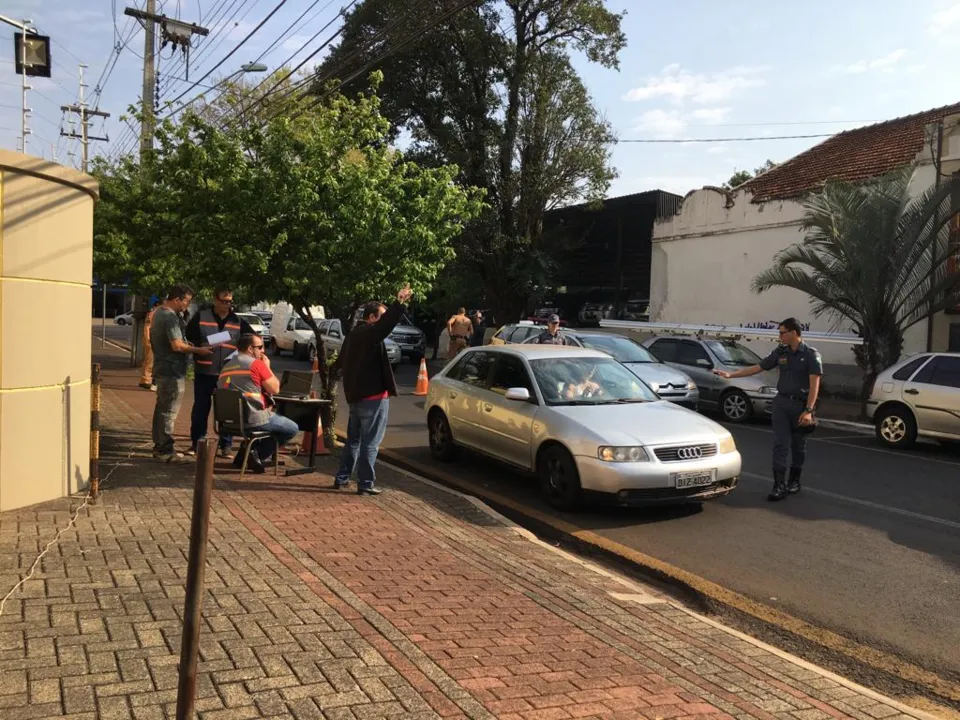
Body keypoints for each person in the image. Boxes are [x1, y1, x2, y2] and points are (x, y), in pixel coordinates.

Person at [713, 317, 822, 501]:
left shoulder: (811, 354)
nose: (779, 336)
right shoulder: (781, 352)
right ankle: (778, 485)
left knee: (798, 446)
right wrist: (731, 375)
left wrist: (809, 410)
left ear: (794, 333)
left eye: (782, 333)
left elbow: (815, 384)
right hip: (781, 404)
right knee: (780, 444)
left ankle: (794, 481)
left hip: (801, 406)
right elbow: (758, 367)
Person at [333, 284, 414, 495]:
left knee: (354, 441)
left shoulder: (352, 335)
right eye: (381, 316)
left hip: (355, 397)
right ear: (371, 318)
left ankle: (342, 477)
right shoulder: (368, 333)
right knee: (370, 443)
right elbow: (384, 326)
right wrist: (399, 303)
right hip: (372, 397)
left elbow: (340, 363)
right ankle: (365, 483)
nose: (383, 321)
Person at [185, 286, 254, 459]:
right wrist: (204, 345)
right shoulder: (201, 317)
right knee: (201, 408)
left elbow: (250, 341)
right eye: (224, 301)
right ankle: (197, 442)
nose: (227, 305)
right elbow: (188, 338)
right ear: (215, 300)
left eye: (230, 301)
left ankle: (226, 445)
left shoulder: (238, 321)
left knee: (227, 409)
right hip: (204, 370)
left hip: (228, 373)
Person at [217, 334, 300, 474]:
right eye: (260, 347)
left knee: (269, 424)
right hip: (252, 418)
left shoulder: (226, 366)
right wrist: (267, 367)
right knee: (291, 428)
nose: (263, 351)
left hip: (227, 422)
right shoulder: (256, 364)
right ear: (250, 348)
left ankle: (248, 452)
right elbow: (275, 389)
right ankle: (254, 455)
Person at [149, 285, 213, 463]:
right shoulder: (169, 317)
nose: (187, 305)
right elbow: (177, 345)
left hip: (165, 369)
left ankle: (160, 446)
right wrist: (198, 350)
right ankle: (165, 450)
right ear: (177, 299)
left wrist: (191, 344)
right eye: (186, 301)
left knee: (162, 409)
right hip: (171, 371)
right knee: (168, 411)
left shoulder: (160, 313)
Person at [138, 300, 162, 391]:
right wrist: (149, 339)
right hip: (151, 340)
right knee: (150, 360)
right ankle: (146, 380)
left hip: (150, 339)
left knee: (148, 360)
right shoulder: (153, 314)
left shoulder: (152, 313)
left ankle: (145, 379)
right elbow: (148, 327)